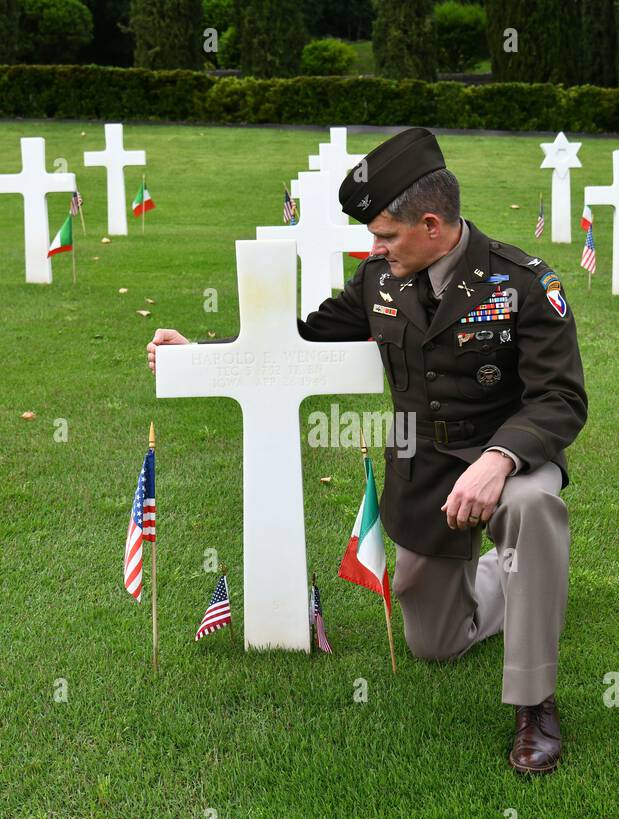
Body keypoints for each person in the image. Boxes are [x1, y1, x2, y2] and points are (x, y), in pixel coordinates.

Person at [149, 127, 587, 773]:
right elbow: (297, 340)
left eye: (386, 235)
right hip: (425, 470)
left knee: (532, 511)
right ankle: (521, 583)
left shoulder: (521, 283)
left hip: (507, 460)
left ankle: (536, 706)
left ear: (432, 225)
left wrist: (500, 461)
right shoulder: (380, 280)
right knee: (435, 645)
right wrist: (205, 354)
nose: (374, 247)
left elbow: (561, 398)